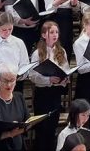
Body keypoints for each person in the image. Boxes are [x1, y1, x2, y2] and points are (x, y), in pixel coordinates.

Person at [29, 21, 71, 151]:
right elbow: (32, 76)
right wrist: (49, 80)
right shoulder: (38, 53)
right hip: (42, 95)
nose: (55, 35)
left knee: (52, 128)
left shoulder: (61, 51)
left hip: (55, 95)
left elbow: (66, 70)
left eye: (56, 32)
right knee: (42, 129)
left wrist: (65, 78)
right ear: (43, 35)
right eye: (51, 32)